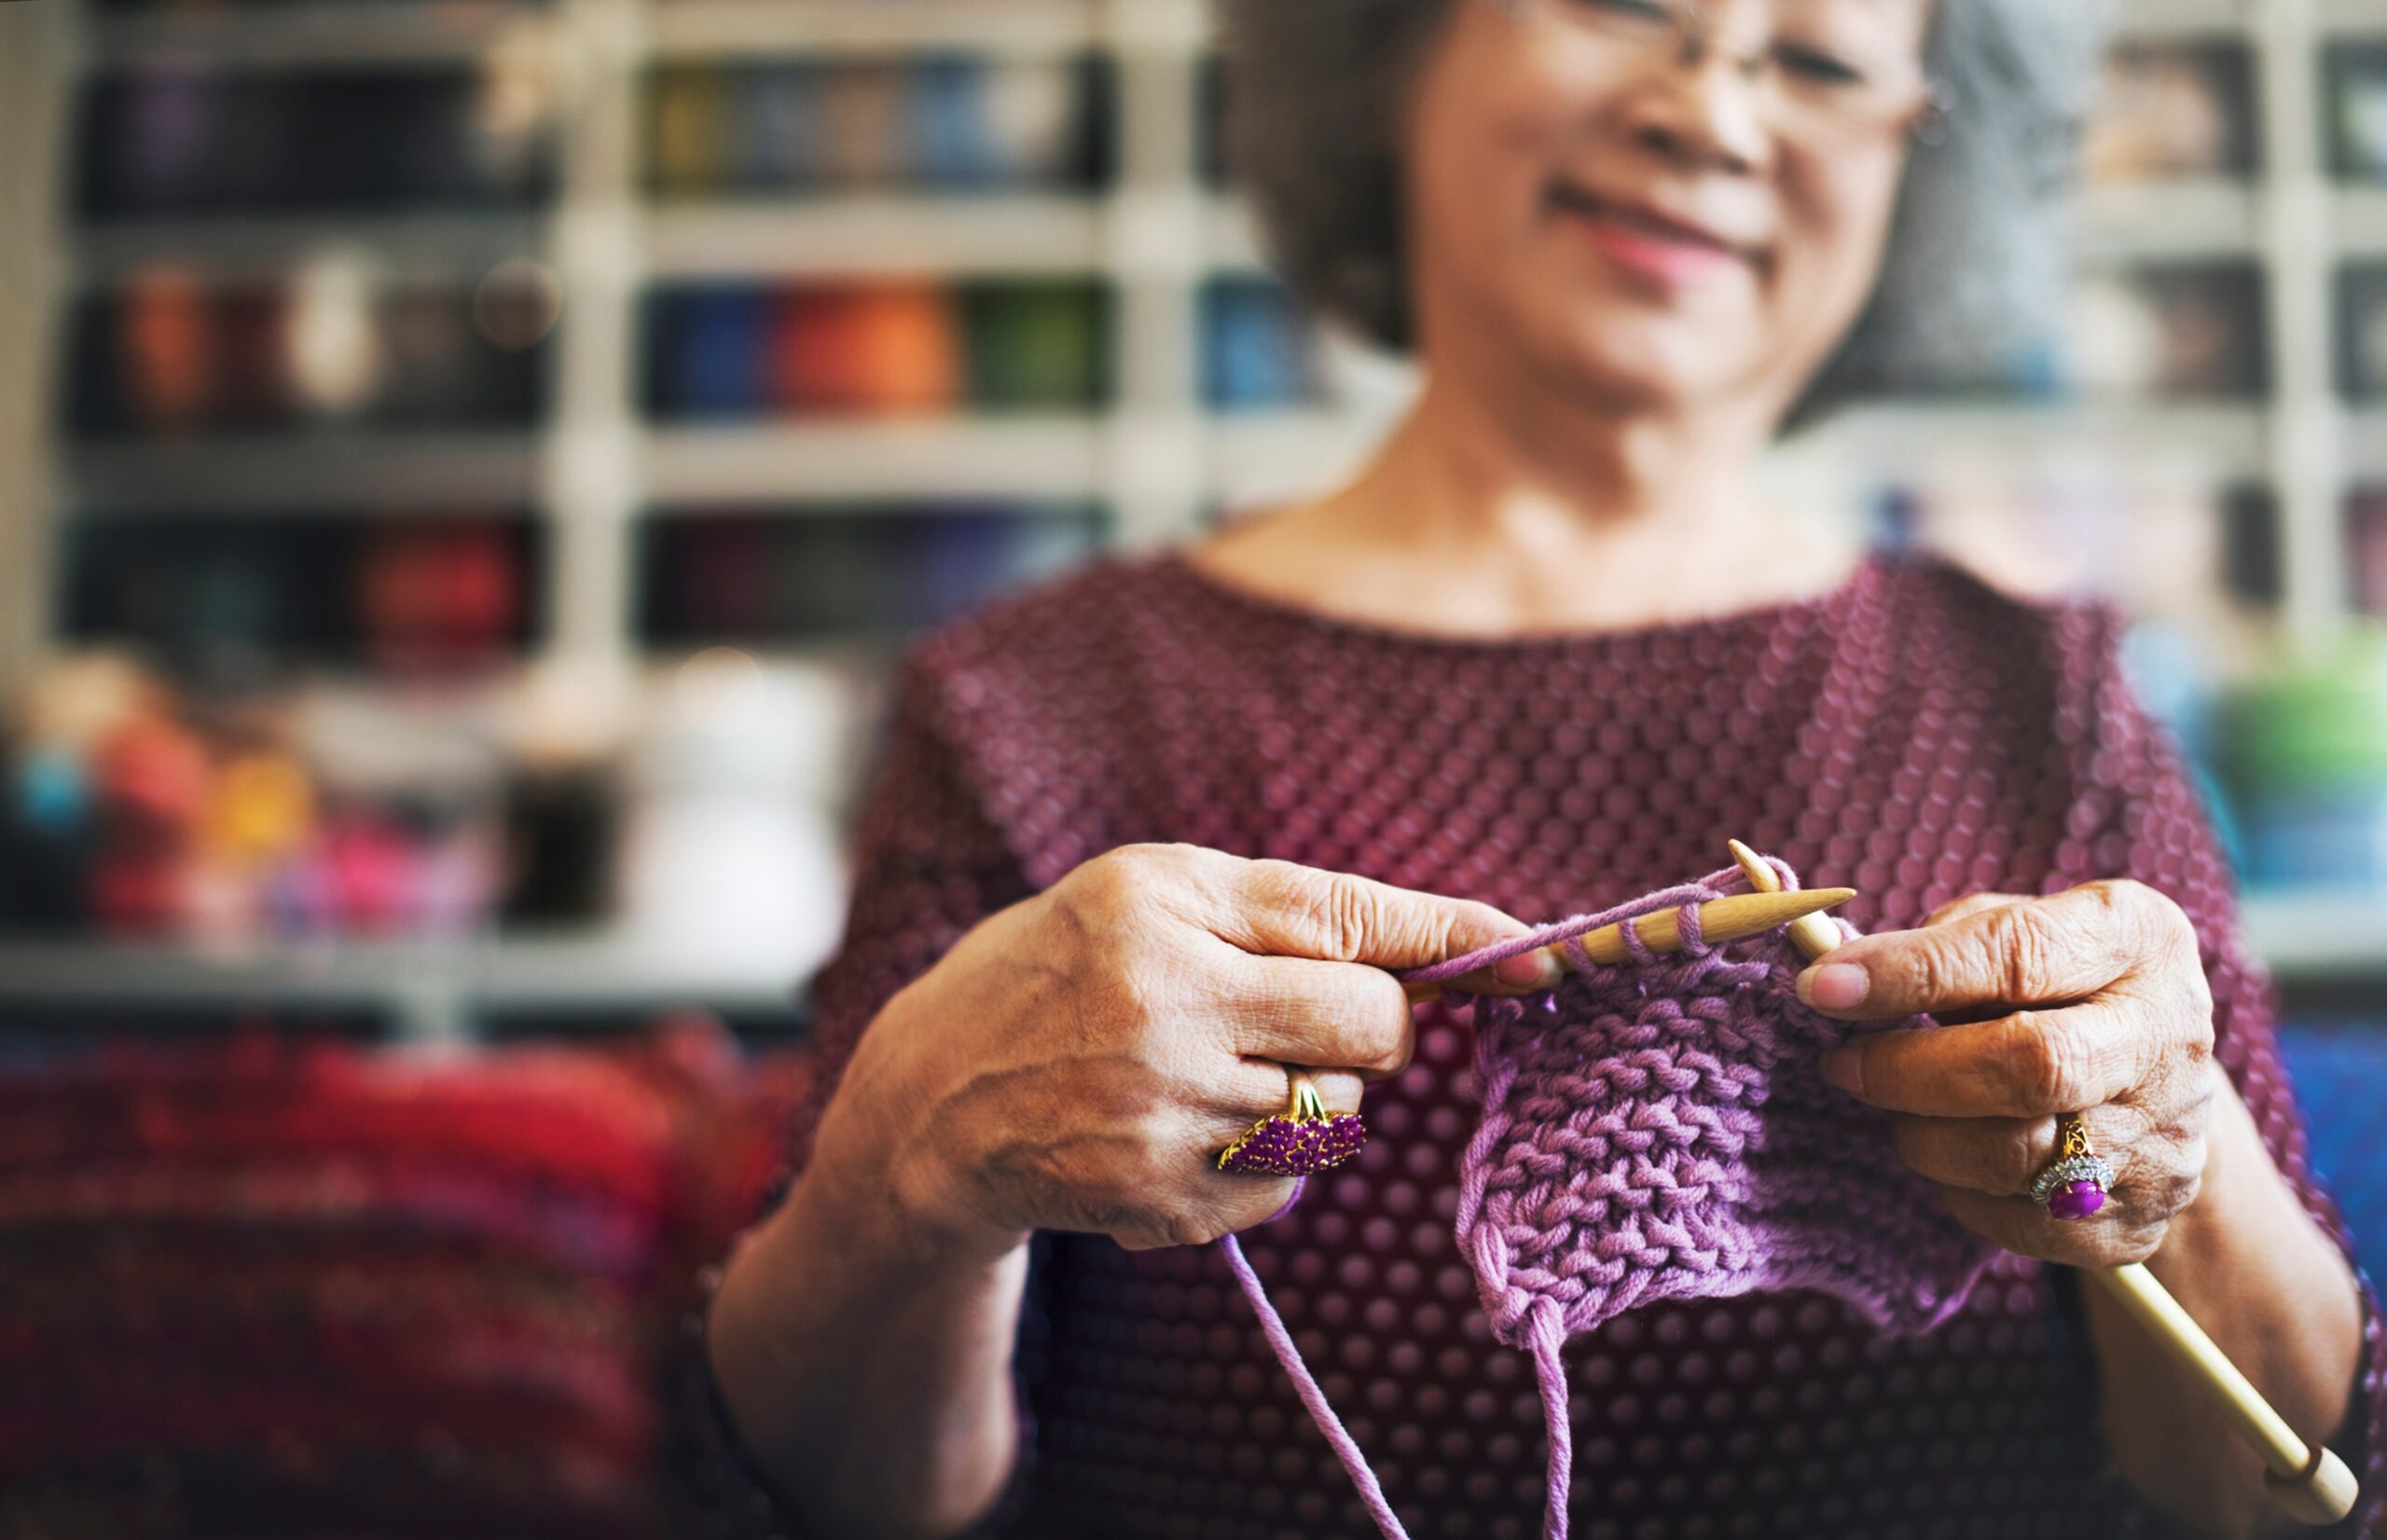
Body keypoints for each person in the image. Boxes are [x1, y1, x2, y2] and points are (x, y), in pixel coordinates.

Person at [684, 2, 2386, 1536]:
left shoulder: (2049, 702)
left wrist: (2160, 1178)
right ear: (1395, 47)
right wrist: (913, 1154)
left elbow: (2288, 1491)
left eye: (1816, 62)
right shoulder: (1033, 708)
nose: (1711, 112)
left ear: (1917, 165)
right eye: (1627, 5)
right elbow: (843, 1494)